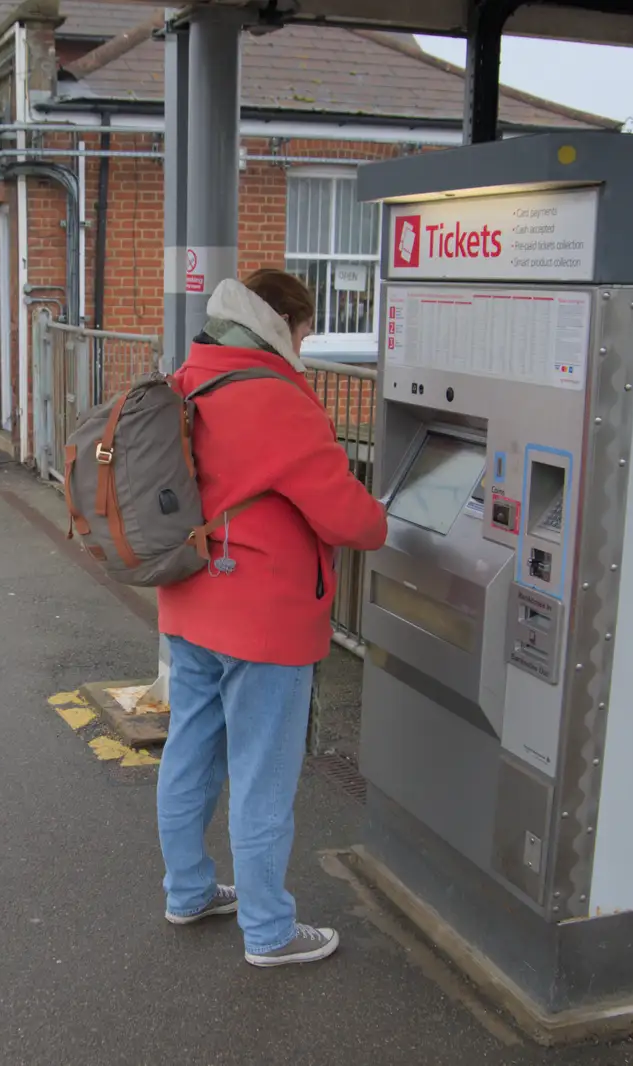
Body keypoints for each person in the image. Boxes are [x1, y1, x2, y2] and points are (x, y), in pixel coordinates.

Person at [156, 268, 388, 968]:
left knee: (190, 750)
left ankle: (188, 890)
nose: (308, 340)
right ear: (284, 325)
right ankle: (269, 931)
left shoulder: (193, 371)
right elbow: (353, 519)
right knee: (263, 775)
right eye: (305, 328)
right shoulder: (277, 398)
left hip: (191, 596)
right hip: (264, 621)